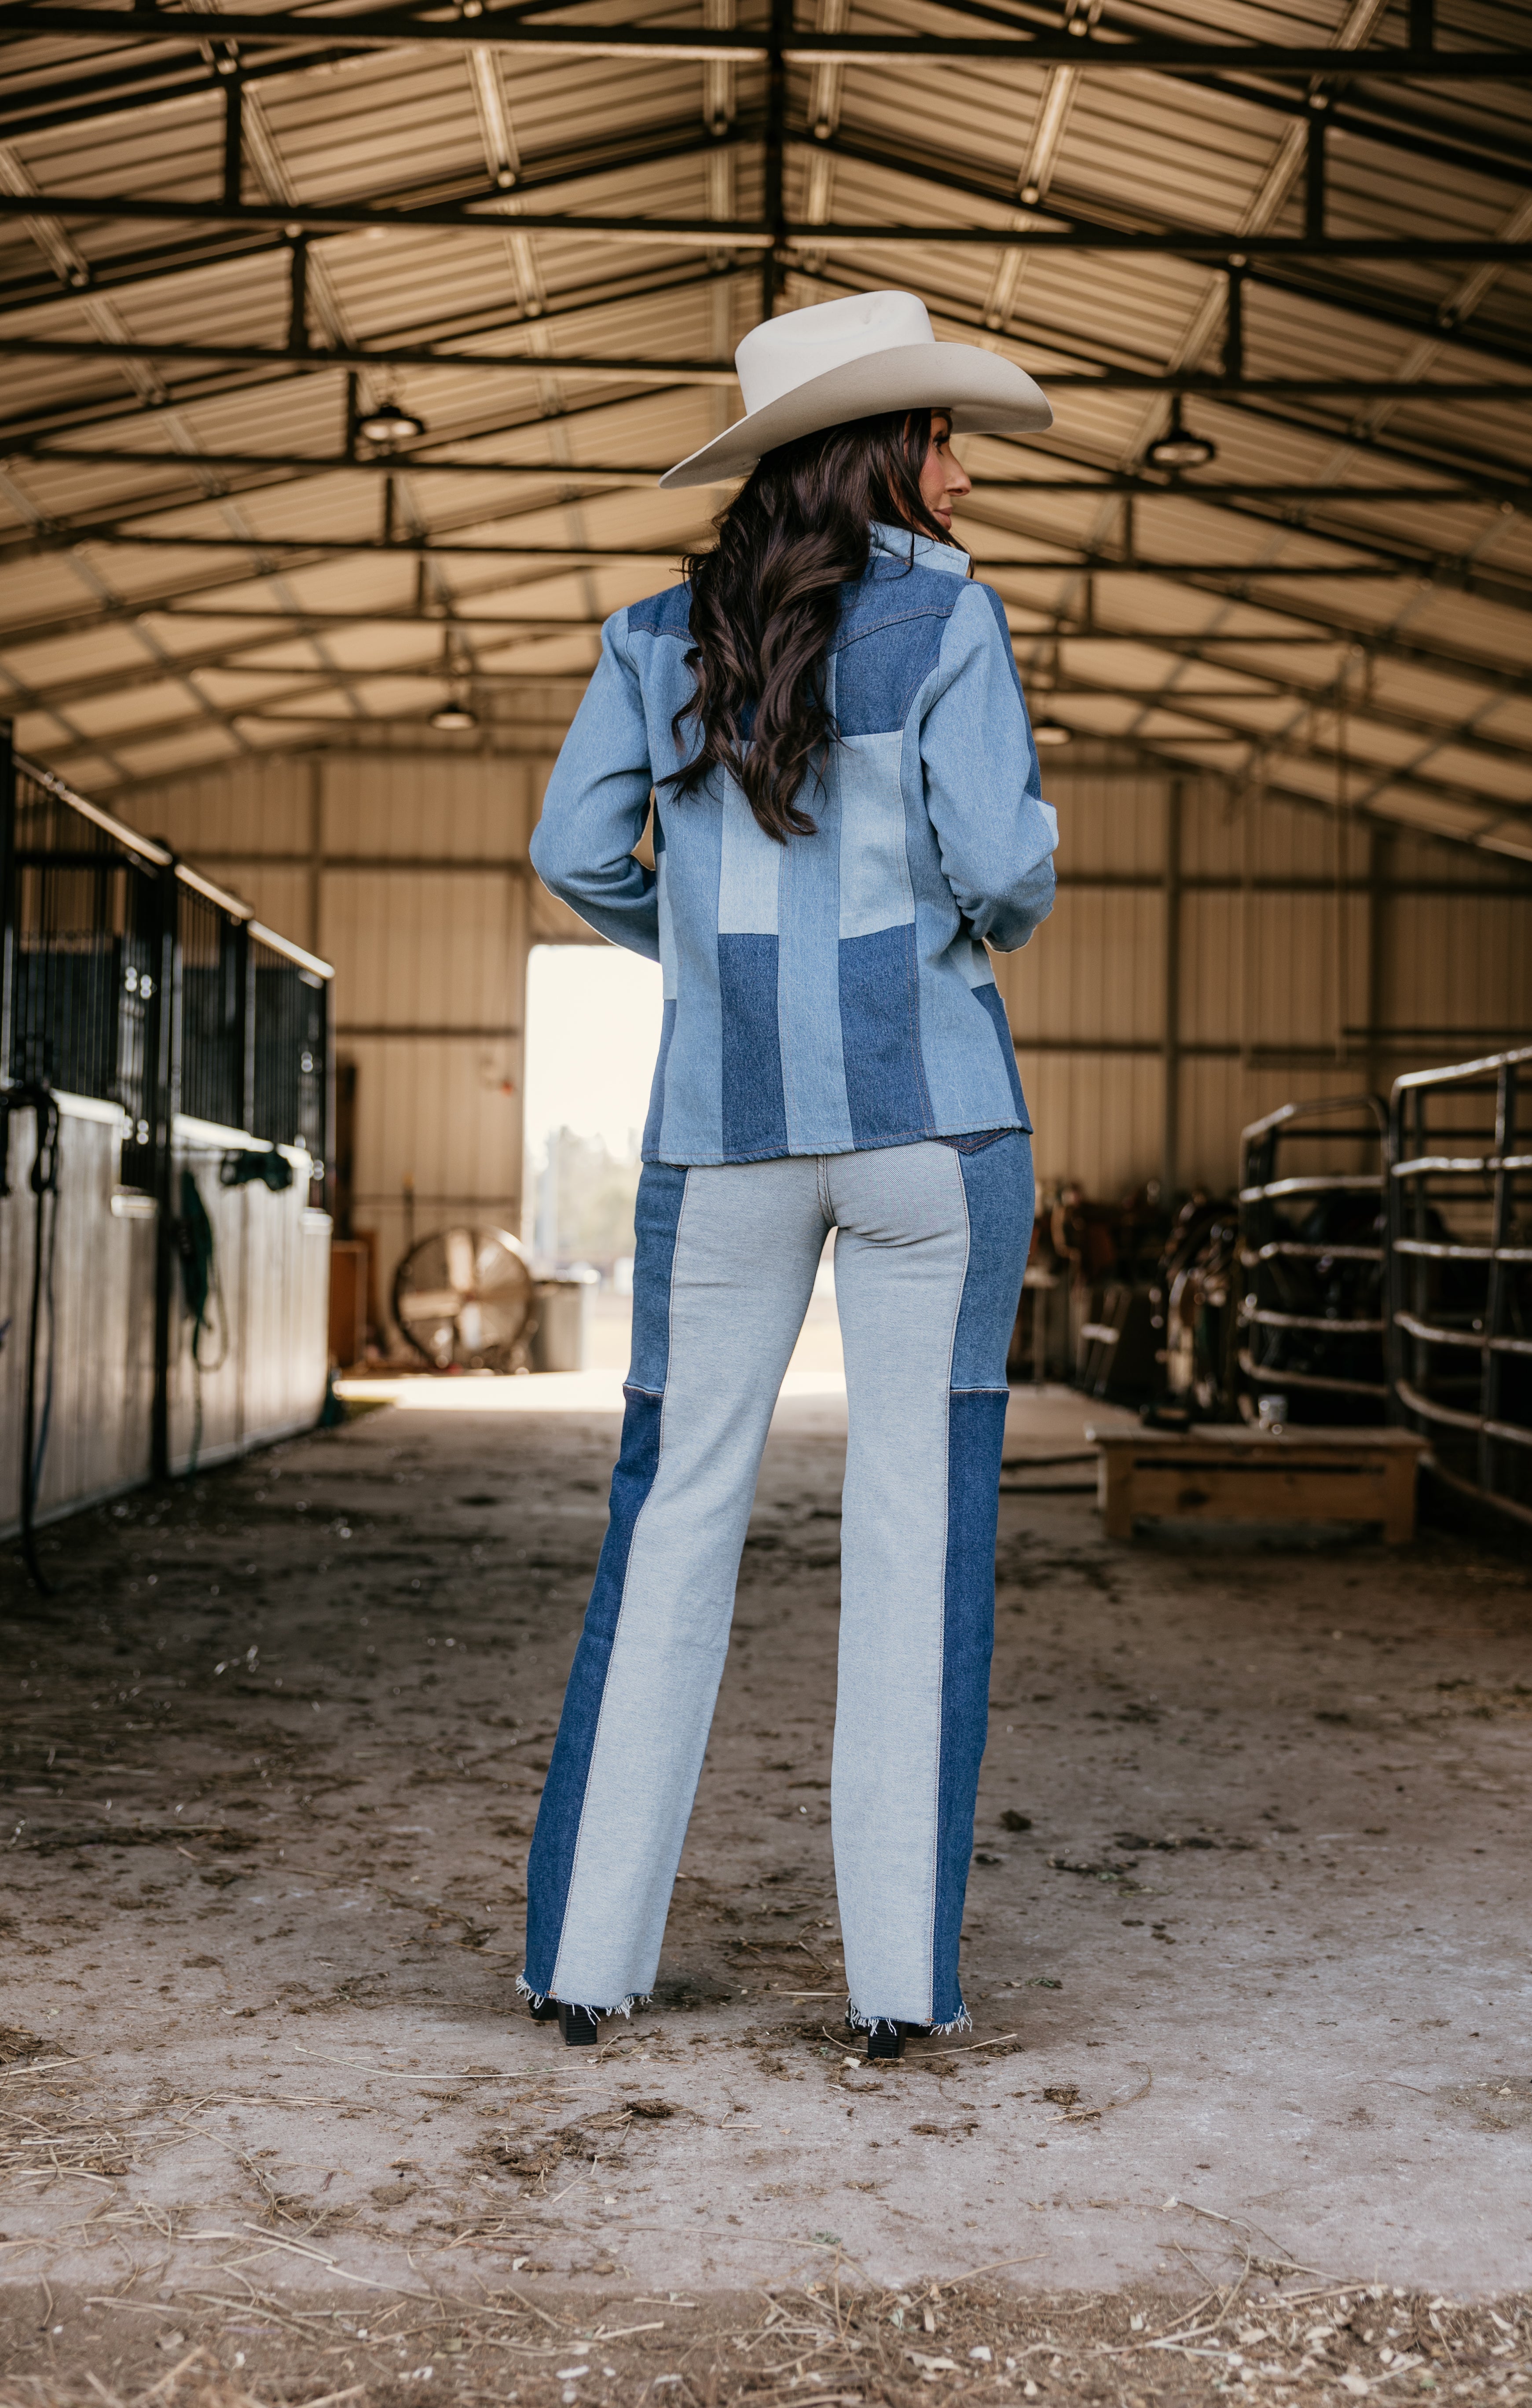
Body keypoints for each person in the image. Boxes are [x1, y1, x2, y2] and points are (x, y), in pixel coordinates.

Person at [522, 289, 1058, 2059]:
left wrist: (703, 950)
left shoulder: (650, 638)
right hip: (937, 1127)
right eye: (944, 434)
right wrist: (955, 922)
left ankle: (584, 1967)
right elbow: (1003, 863)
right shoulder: (956, 625)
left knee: (674, 1521)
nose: (964, 469)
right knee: (918, 1534)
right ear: (885, 452)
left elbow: (572, 852)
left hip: (717, 1135)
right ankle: (899, 1992)